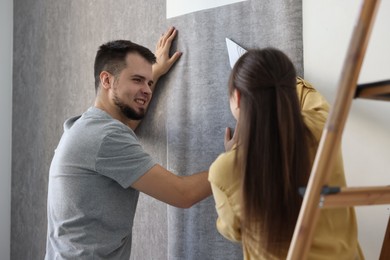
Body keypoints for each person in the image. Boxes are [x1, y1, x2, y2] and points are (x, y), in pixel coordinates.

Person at [45, 27, 211, 259]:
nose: (146, 90)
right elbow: (183, 194)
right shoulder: (104, 137)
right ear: (106, 80)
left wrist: (154, 74)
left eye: (149, 83)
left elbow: (124, 127)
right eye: (137, 80)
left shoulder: (83, 127)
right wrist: (241, 160)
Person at [208, 48, 364, 259]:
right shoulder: (323, 127)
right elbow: (310, 97)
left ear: (237, 97)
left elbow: (233, 230)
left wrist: (234, 153)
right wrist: (276, 78)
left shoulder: (224, 171)